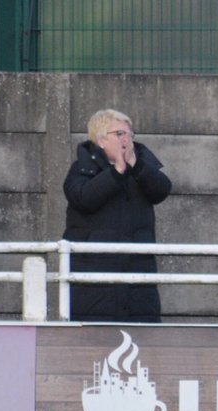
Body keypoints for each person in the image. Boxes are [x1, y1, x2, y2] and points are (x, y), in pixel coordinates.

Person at [62, 109, 172, 322]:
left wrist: (137, 167)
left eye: (130, 134)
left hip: (137, 279)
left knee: (141, 342)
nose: (127, 139)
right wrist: (116, 171)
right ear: (101, 140)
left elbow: (162, 190)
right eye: (119, 133)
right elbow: (84, 198)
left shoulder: (142, 169)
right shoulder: (81, 169)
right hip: (93, 284)